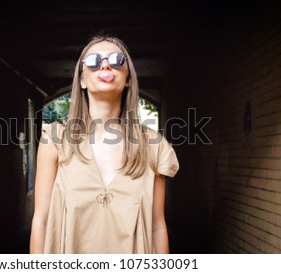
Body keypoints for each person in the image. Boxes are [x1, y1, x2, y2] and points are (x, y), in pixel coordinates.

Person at [29, 34, 179, 254]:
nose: (106, 65)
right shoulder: (54, 140)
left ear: (128, 78)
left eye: (117, 60)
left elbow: (157, 226)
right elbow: (40, 220)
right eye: (93, 61)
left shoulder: (154, 146)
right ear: (81, 80)